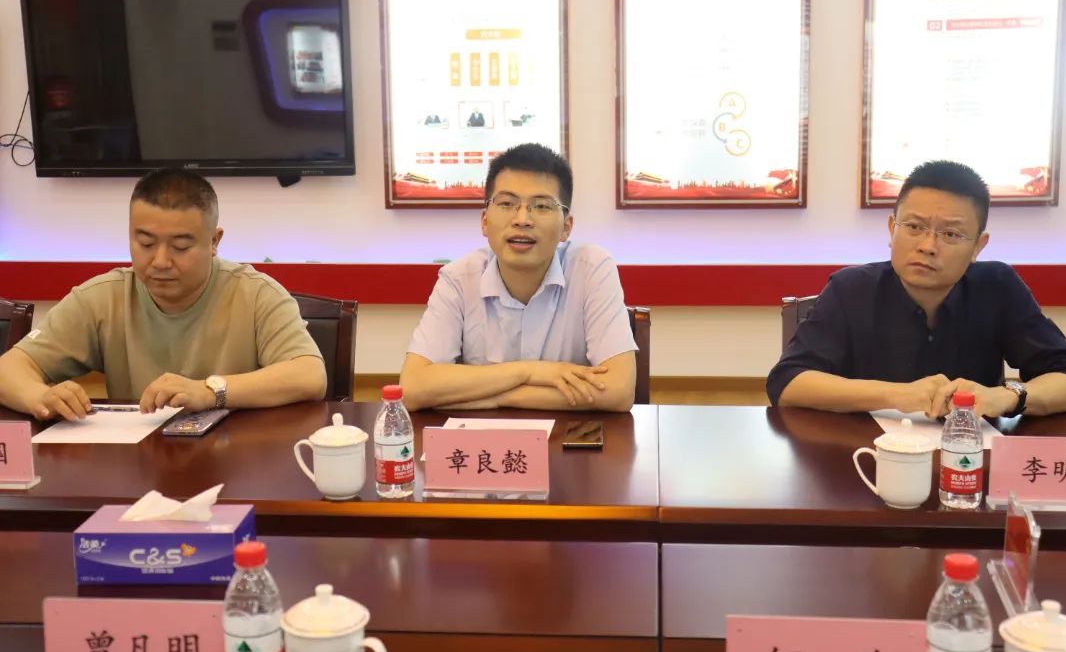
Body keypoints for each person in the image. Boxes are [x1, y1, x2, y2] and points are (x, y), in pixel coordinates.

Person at [0, 169, 327, 421]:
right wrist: (39, 397)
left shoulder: (256, 294)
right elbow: (9, 368)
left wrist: (209, 391)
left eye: (180, 246)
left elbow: (309, 375)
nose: (160, 261)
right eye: (145, 243)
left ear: (214, 242)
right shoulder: (102, 298)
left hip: (238, 462)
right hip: (135, 467)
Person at [767, 159, 1066, 418]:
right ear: (892, 229)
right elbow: (787, 382)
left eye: (951, 234)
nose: (928, 246)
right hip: (864, 458)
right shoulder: (850, 288)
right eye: (915, 227)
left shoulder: (998, 287)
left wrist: (1007, 396)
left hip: (967, 457)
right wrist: (896, 395)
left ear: (978, 246)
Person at [401, 143, 637, 412]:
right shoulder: (458, 278)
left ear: (566, 227)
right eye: (506, 203)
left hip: (568, 438)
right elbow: (414, 387)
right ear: (484, 221)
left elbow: (618, 390)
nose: (522, 219)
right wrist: (530, 371)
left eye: (542, 206)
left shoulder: (591, 269)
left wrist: (501, 398)